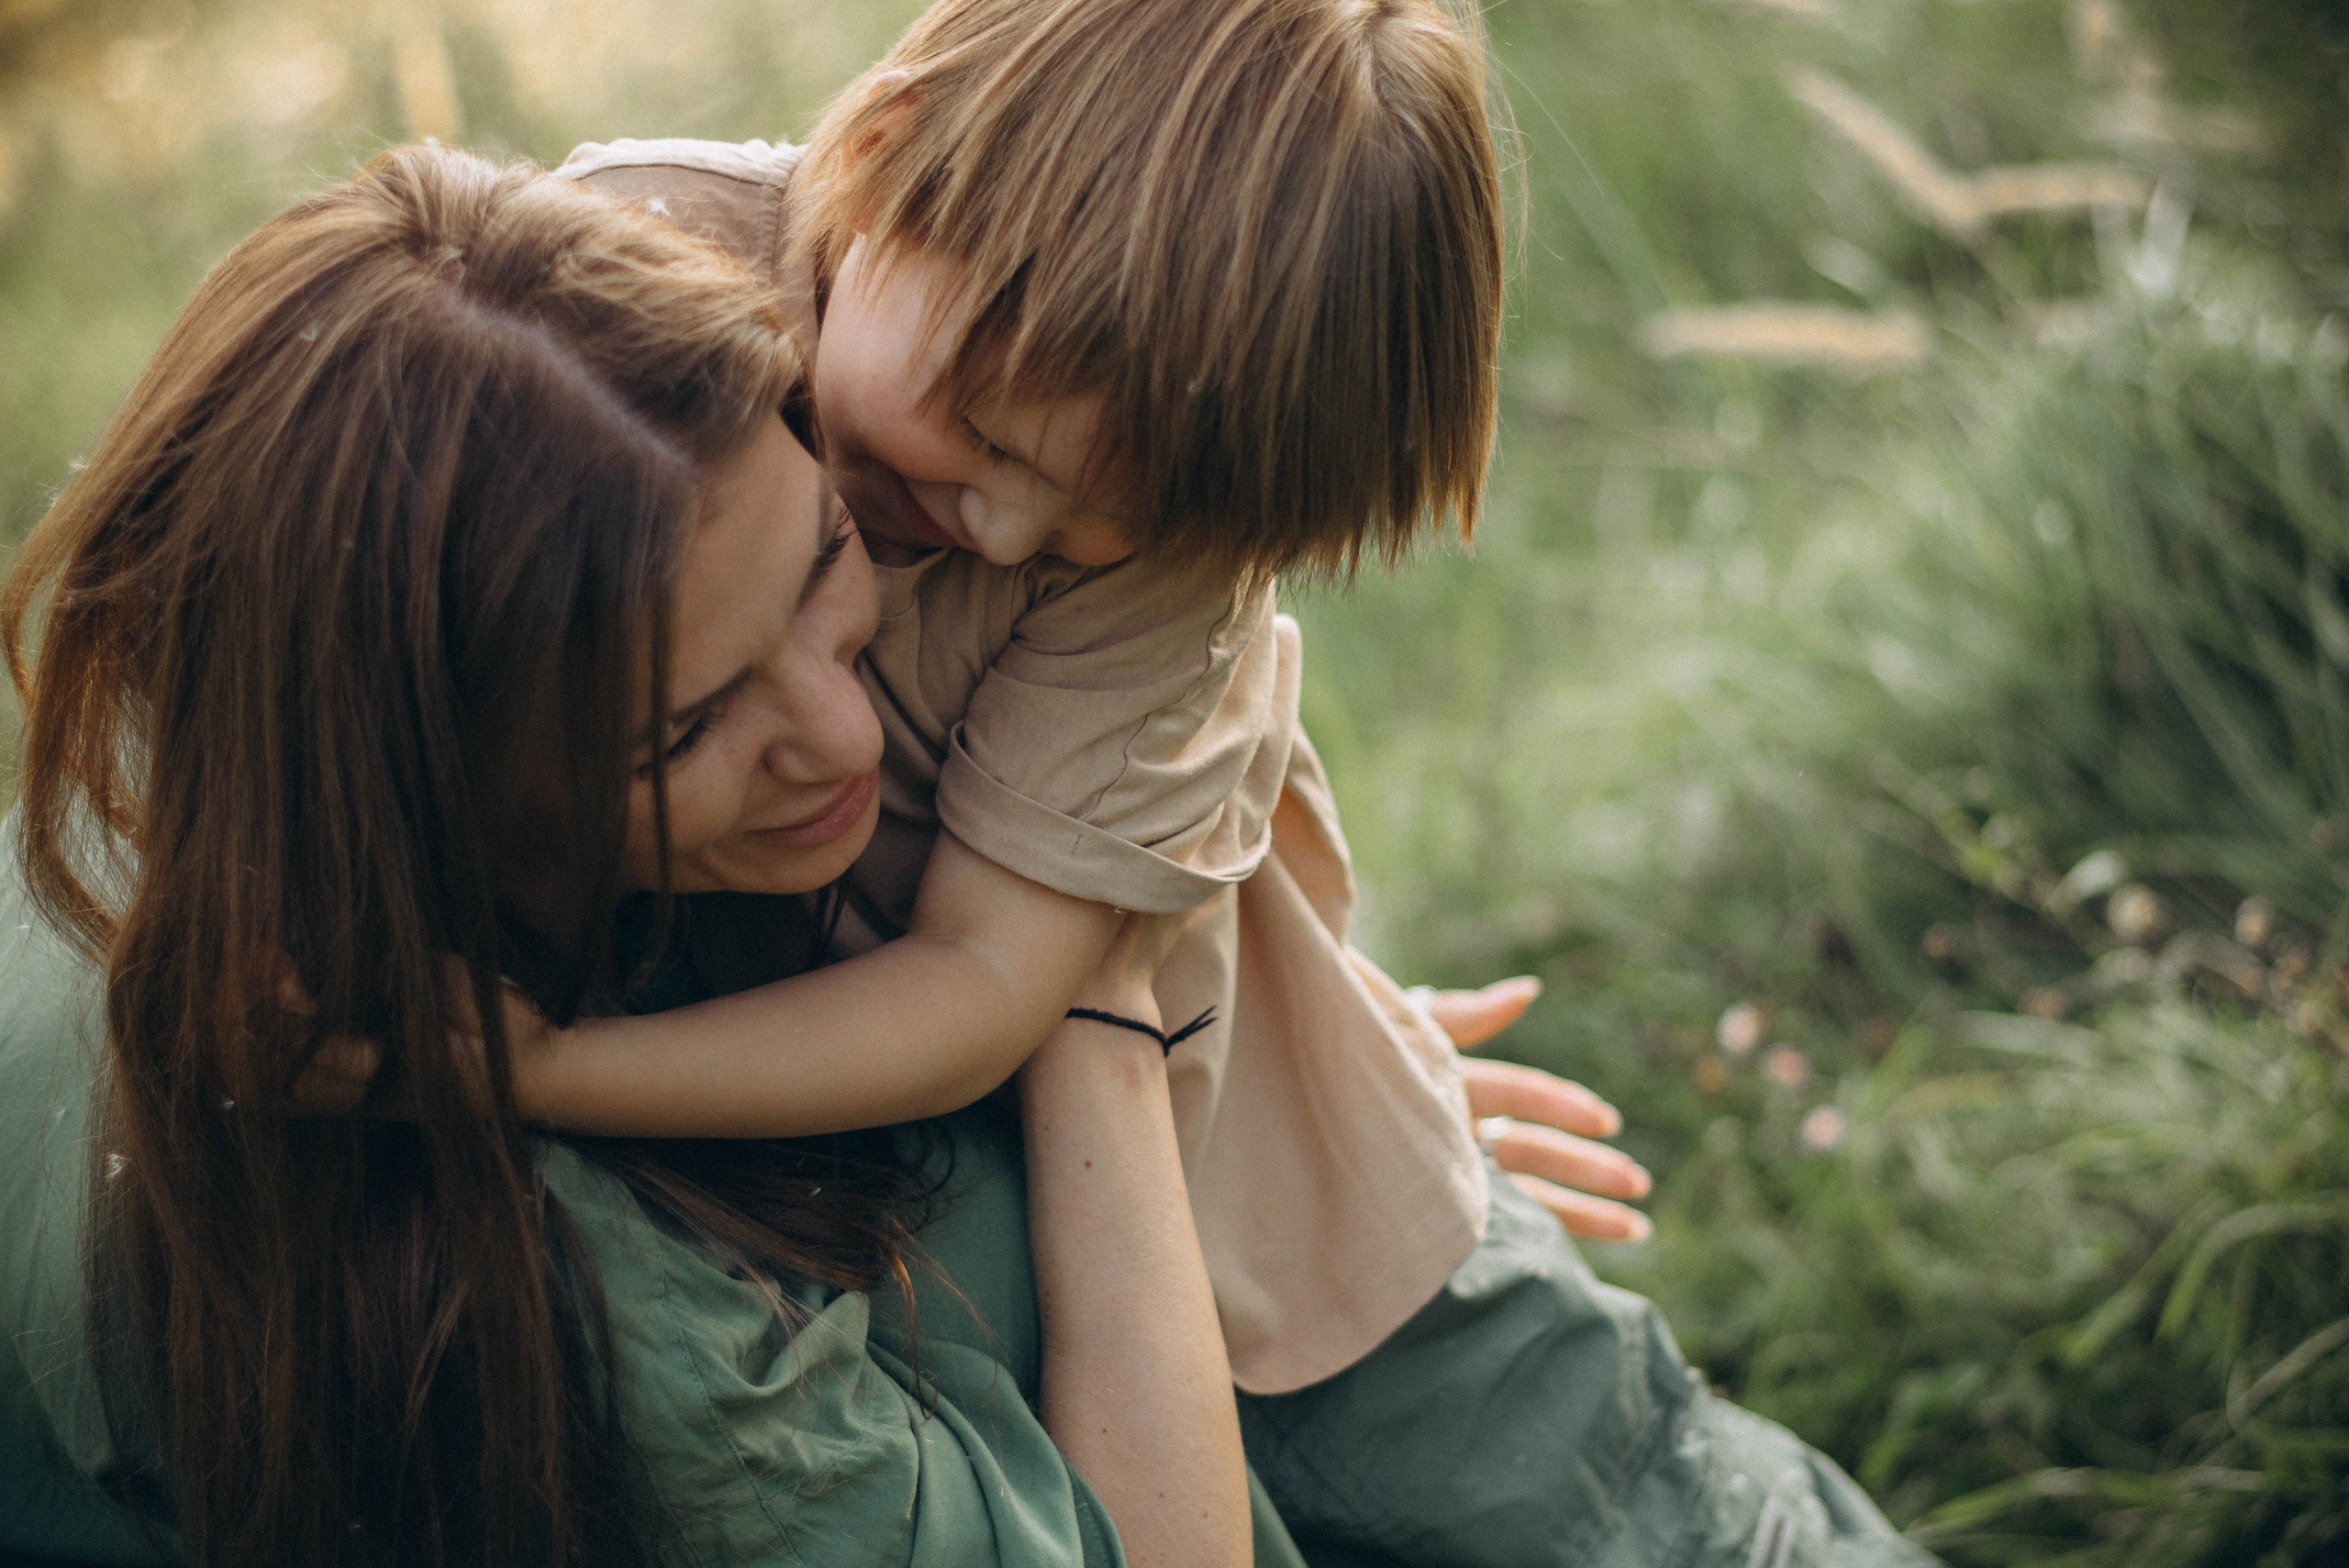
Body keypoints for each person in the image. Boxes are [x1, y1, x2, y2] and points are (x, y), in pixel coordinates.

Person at [500, 0, 1942, 1562]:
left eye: (1084, 522)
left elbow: (988, 981)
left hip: (1265, 1202)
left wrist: (532, 1065)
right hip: (1013, 1224)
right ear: (885, 148)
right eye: (981, 434)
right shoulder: (623, 276)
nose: (994, 531)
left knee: (1633, 1511)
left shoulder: (1162, 555)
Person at [0, 142, 1251, 1568]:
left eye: (828, 555)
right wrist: (1106, 1013)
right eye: (686, 731)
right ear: (438, 789)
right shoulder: (609, 1330)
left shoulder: (201, 779)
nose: (846, 739)